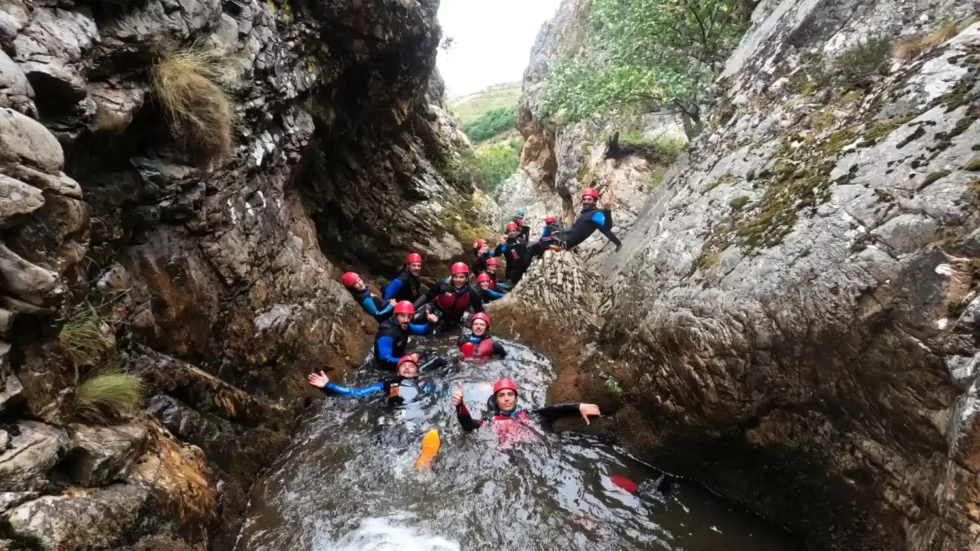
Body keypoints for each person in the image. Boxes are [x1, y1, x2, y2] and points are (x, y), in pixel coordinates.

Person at [452, 378, 601, 446]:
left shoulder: (530, 415)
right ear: (496, 400)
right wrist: (460, 406)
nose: (506, 399)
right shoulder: (490, 422)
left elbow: (555, 411)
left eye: (510, 395)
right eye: (501, 396)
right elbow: (469, 426)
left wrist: (578, 407)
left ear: (516, 398)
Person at [307, 354, 435, 406]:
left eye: (411, 366)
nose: (407, 368)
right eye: (404, 366)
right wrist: (329, 385)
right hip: (396, 414)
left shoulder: (424, 384)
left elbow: (440, 394)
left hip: (417, 409)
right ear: (398, 372)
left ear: (417, 372)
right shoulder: (387, 384)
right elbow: (357, 393)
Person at [413, 262, 484, 330]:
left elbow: (480, 312)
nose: (458, 280)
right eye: (456, 277)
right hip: (434, 309)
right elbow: (427, 296)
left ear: (466, 278)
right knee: (413, 320)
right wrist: (413, 307)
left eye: (461, 277)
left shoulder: (472, 293)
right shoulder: (443, 284)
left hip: (450, 319)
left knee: (435, 334)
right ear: (452, 277)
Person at [375, 301, 438, 370]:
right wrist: (409, 359)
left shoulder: (404, 324)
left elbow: (423, 330)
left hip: (399, 360)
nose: (406, 320)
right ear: (396, 315)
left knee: (430, 354)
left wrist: (430, 323)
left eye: (409, 316)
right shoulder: (386, 334)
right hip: (385, 368)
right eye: (402, 315)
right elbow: (386, 361)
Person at [563, 188, 622, 252]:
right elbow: (604, 230)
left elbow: (607, 228)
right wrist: (618, 243)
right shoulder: (587, 213)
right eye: (584, 199)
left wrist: (607, 211)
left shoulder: (596, 214)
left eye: (589, 199)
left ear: (595, 201)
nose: (586, 201)